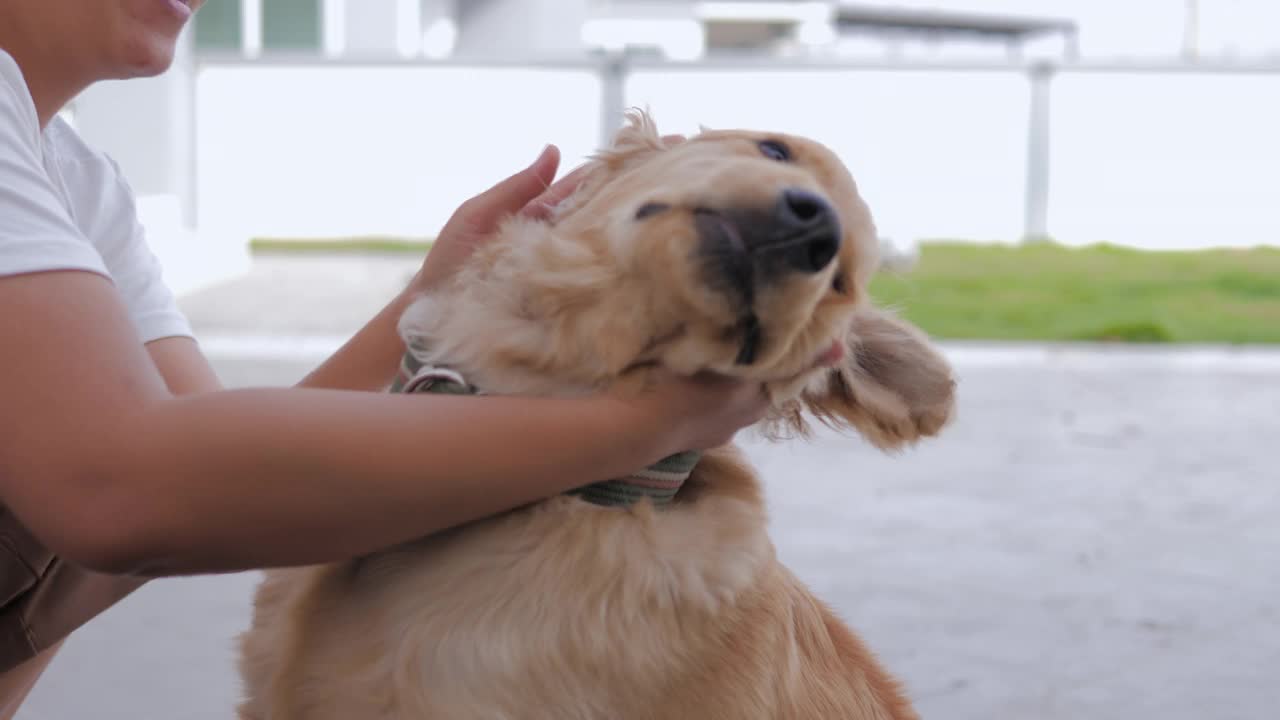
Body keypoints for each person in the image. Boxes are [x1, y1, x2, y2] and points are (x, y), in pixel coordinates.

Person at [0, 1, 771, 715]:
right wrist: (646, 427)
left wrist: (428, 298)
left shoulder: (78, 182)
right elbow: (122, 492)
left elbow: (215, 481)